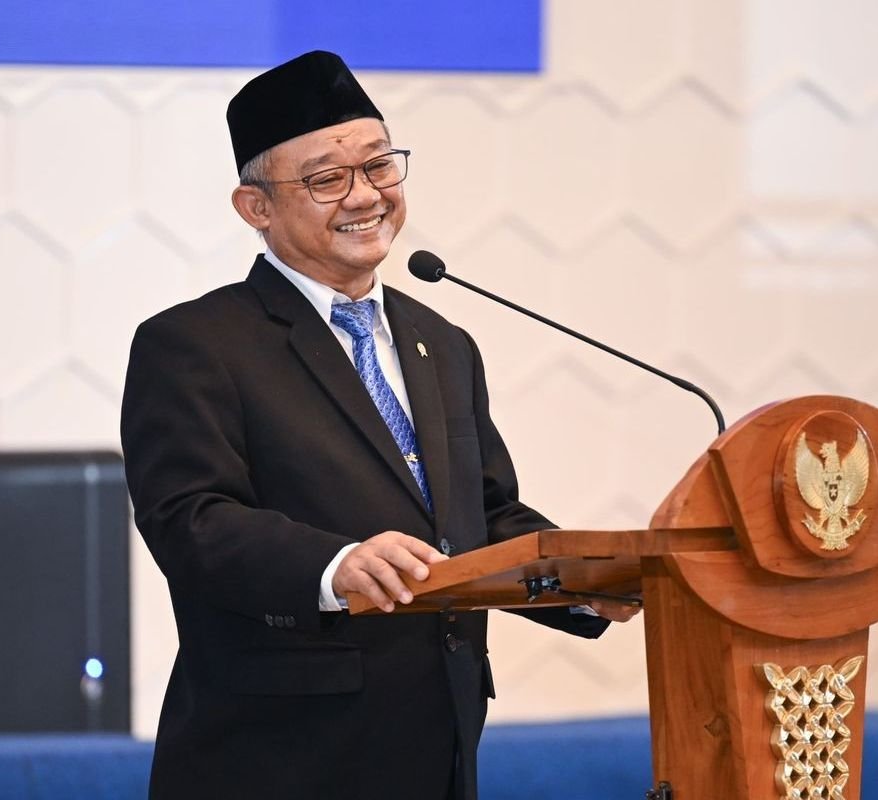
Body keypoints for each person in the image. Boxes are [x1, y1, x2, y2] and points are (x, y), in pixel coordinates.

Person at [120, 50, 638, 800]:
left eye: (379, 167)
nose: (365, 195)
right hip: (277, 759)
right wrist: (333, 566)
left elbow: (481, 517)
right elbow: (189, 522)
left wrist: (583, 583)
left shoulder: (442, 342)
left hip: (438, 748)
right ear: (255, 207)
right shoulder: (195, 344)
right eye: (327, 179)